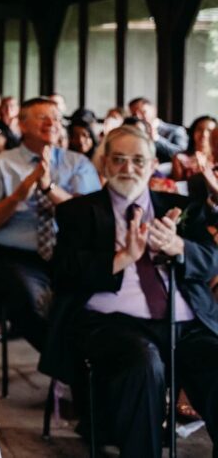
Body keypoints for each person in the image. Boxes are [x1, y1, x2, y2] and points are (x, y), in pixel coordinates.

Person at [42, 125, 218, 456]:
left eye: (138, 160)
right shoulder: (78, 211)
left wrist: (177, 245)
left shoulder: (182, 207)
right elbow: (63, 273)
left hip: (187, 323)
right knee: (144, 365)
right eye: (119, 159)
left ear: (153, 165)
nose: (128, 168)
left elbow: (211, 261)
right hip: (113, 323)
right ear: (105, 164)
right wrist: (123, 257)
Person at [0, 98, 100, 351]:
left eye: (55, 116)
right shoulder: (2, 165)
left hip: (69, 254)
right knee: (32, 305)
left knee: (90, 304)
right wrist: (19, 194)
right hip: (19, 257)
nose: (51, 122)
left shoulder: (77, 164)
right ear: (22, 125)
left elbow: (90, 217)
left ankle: (74, 367)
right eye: (42, 117)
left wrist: (50, 189)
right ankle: (65, 364)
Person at [129, 97, 189, 163]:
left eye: (143, 112)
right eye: (134, 114)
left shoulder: (176, 130)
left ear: (154, 110)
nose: (138, 117)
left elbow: (183, 155)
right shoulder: (132, 132)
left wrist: (157, 139)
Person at [172, 115, 215, 182]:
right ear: (193, 132)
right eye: (200, 129)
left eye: (210, 131)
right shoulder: (179, 158)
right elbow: (178, 187)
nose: (204, 134)